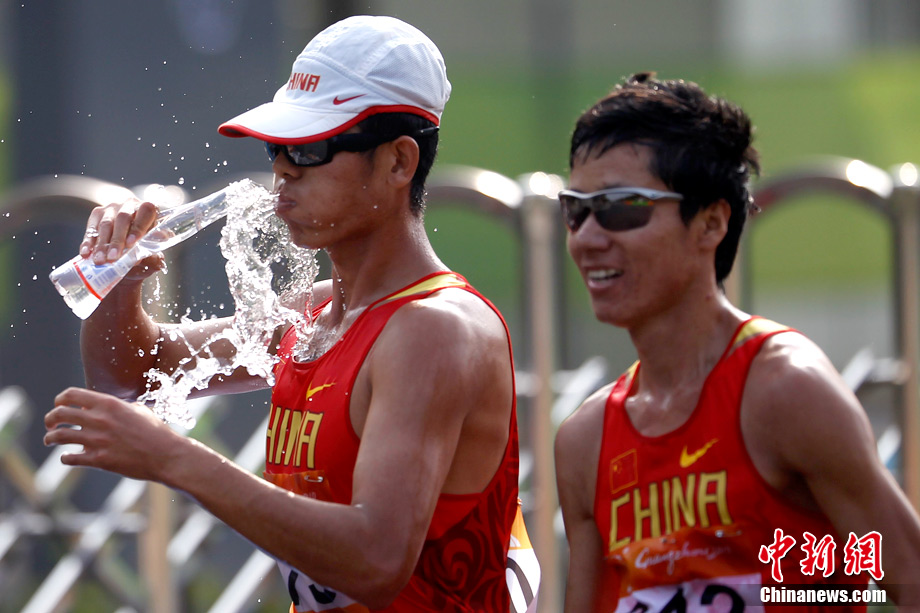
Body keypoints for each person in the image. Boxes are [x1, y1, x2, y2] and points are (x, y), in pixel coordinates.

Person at [44, 15, 539, 613]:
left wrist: (175, 459)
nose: (283, 169)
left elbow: (376, 560)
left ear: (398, 162)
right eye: (277, 147)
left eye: (310, 147)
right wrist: (121, 283)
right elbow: (133, 373)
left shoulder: (435, 329)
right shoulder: (318, 312)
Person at [553, 72, 920, 612]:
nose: (586, 237)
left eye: (621, 206)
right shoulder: (585, 441)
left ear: (711, 223)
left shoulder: (785, 390)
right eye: (575, 209)